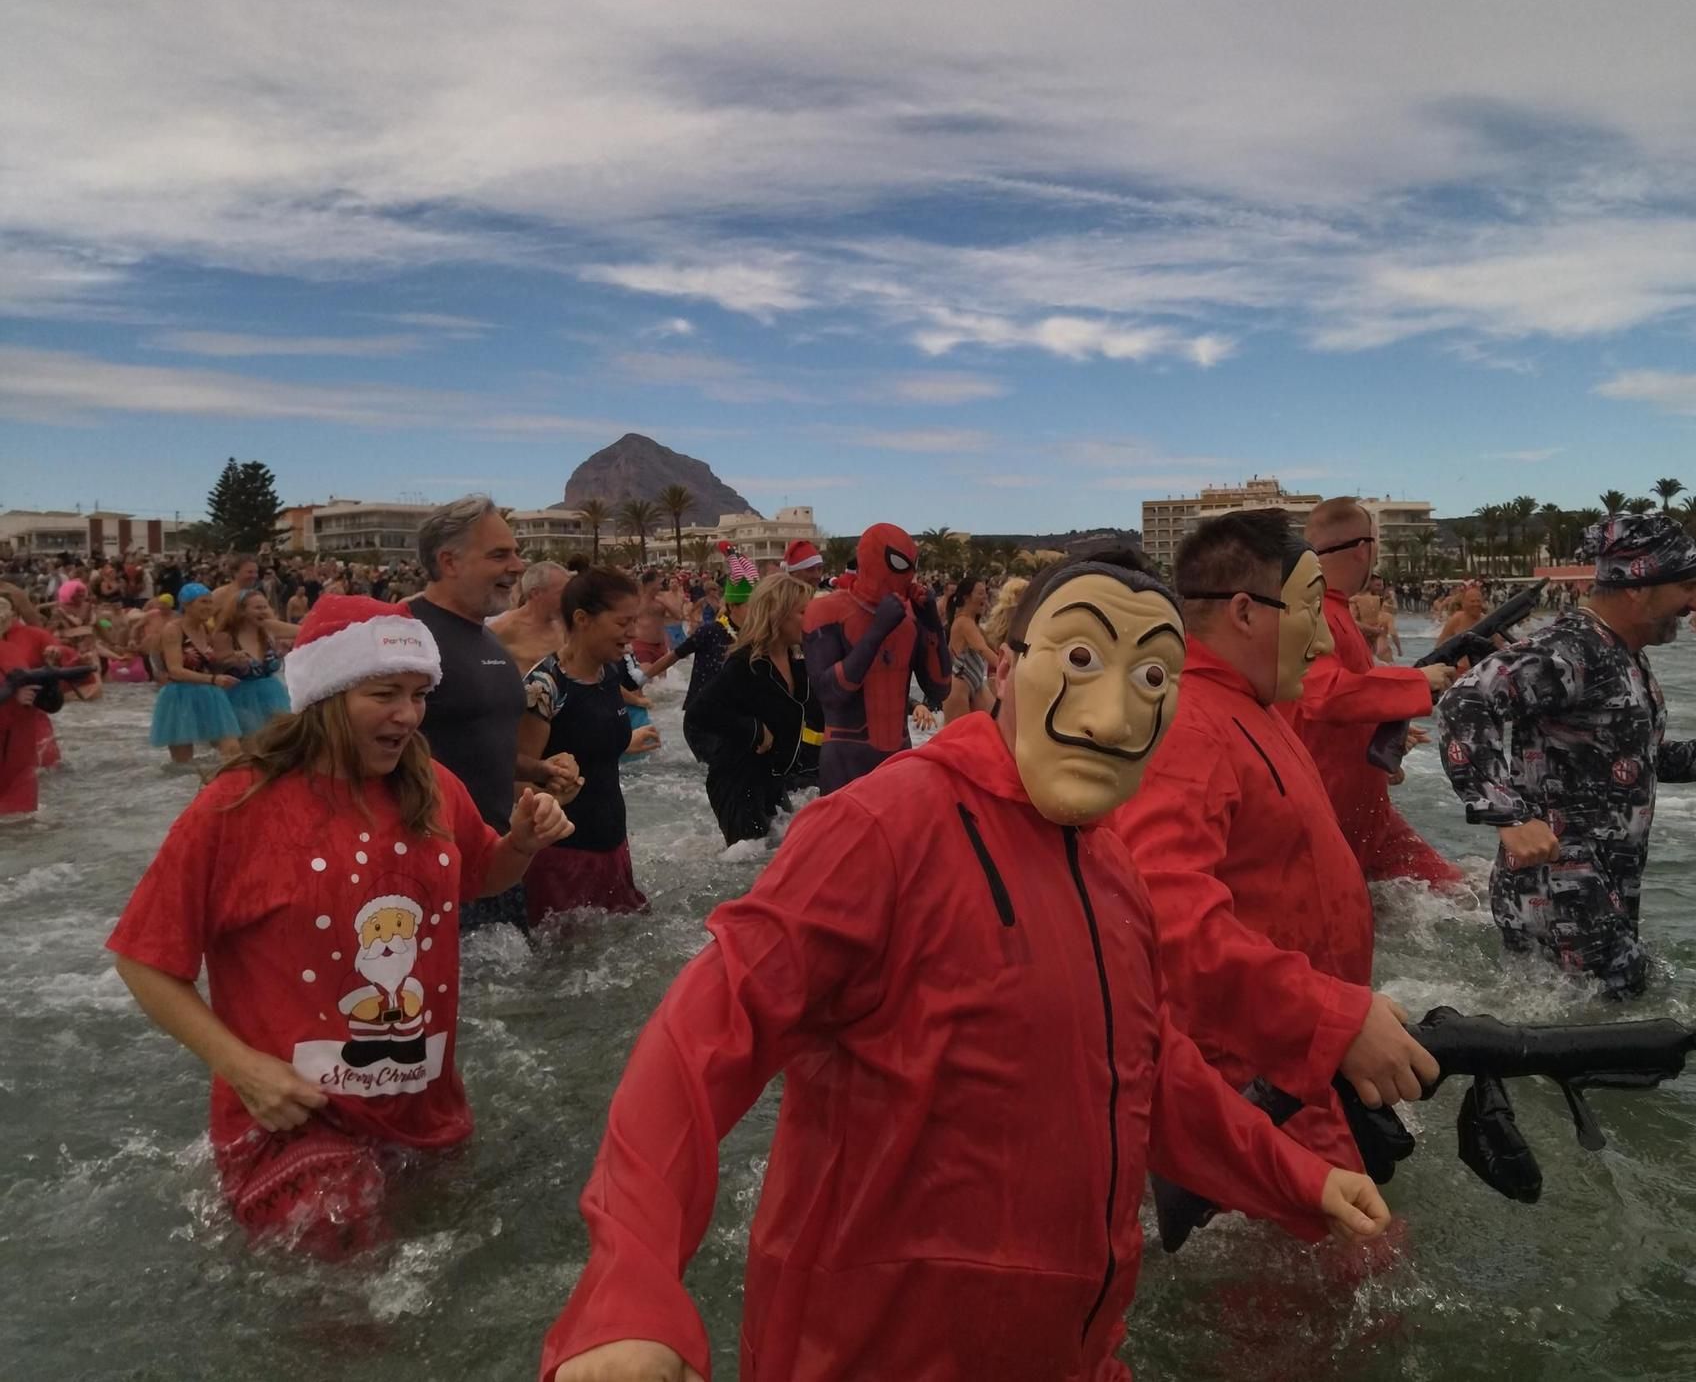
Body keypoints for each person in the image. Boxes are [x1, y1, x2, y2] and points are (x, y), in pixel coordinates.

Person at [539, 557, 1390, 1382]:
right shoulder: (883, 826)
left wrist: (1299, 1180)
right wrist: (627, 1290)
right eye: (1083, 660)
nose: (1114, 717)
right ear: (1009, 667)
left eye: (1154, 679)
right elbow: (702, 1038)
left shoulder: (1114, 868)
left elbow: (1145, 1072)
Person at [107, 595, 574, 1258]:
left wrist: (522, 843)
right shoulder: (237, 807)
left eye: (418, 694)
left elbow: (476, 878)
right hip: (293, 1122)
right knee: (349, 1311)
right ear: (325, 696)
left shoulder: (436, 787)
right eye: (384, 693)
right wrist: (242, 1069)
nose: (408, 715)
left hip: (424, 1107)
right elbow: (143, 959)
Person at [1114, 514, 1439, 1178]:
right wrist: (1332, 1018)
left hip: (1300, 1064)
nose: (1322, 638)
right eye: (1310, 611)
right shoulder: (1190, 728)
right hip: (1254, 1084)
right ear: (1245, 612)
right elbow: (1167, 926)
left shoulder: (1251, 706)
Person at [1437, 513, 1696, 997]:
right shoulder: (1570, 650)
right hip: (1561, 892)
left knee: (1609, 1032)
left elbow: (1618, 760)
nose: (1695, 604)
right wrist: (1506, 815)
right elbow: (1466, 699)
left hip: (1600, 890)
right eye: (1686, 587)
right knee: (1608, 1040)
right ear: (1637, 588)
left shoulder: (1621, 653)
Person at [409, 496, 579, 933]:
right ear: (449, 561)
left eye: (517, 553)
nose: (519, 566)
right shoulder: (405, 635)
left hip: (497, 858)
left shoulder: (486, 640)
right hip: (430, 867)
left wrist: (539, 770)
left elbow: (474, 741)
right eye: (500, 554)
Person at [1289, 497, 1459, 888]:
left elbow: (1326, 704)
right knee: (1455, 896)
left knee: (1457, 891)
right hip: (1332, 811)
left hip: (1364, 806)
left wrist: (1379, 732)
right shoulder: (1317, 614)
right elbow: (1323, 695)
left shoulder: (1333, 611)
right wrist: (1417, 682)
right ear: (1365, 548)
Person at [515, 569, 656, 925]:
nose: (634, 633)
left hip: (612, 845)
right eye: (623, 622)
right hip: (562, 858)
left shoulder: (609, 675)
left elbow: (592, 745)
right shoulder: (545, 687)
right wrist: (547, 789)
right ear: (582, 619)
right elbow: (514, 776)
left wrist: (628, 743)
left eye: (636, 621)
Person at [802, 522, 950, 792]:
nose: (909, 575)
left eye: (913, 565)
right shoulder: (826, 611)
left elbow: (940, 688)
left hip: (896, 764)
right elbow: (828, 693)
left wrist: (932, 625)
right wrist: (877, 632)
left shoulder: (909, 619)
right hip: (845, 767)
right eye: (900, 564)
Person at [682, 575, 820, 845]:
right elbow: (698, 715)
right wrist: (754, 730)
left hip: (774, 781)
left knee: (783, 854)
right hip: (736, 783)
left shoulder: (798, 663)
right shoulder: (746, 663)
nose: (810, 620)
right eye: (803, 612)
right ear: (777, 615)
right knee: (750, 867)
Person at [149, 583, 244, 765]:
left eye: (211, 602)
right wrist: (213, 679)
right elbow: (175, 670)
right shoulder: (173, 630)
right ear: (186, 604)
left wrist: (233, 658)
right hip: (180, 697)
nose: (209, 607)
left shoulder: (207, 629)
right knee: (183, 763)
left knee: (232, 750)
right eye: (203, 602)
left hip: (211, 695)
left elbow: (209, 664)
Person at [1, 590, 69, 815]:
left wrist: (49, 681)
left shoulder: (11, 649)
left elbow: (46, 698)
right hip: (11, 743)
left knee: (23, 820)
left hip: (20, 748)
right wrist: (13, 695)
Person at [211, 586, 295, 736]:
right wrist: (232, 660)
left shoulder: (269, 629)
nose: (263, 611)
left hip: (273, 694)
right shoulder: (225, 636)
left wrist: (288, 647)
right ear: (241, 611)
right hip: (238, 698)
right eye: (257, 608)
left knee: (281, 741)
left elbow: (306, 631)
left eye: (265, 606)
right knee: (251, 744)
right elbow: (214, 665)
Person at [492, 561, 573, 675]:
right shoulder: (503, 629)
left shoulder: (565, 626)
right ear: (535, 593)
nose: (567, 599)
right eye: (561, 593)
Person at [939, 574, 1000, 724]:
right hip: (959, 685)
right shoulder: (963, 622)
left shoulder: (973, 624)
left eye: (985, 592)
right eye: (980, 593)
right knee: (957, 739)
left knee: (995, 724)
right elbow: (983, 650)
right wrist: (1009, 670)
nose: (985, 597)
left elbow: (995, 646)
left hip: (976, 683)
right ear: (966, 597)